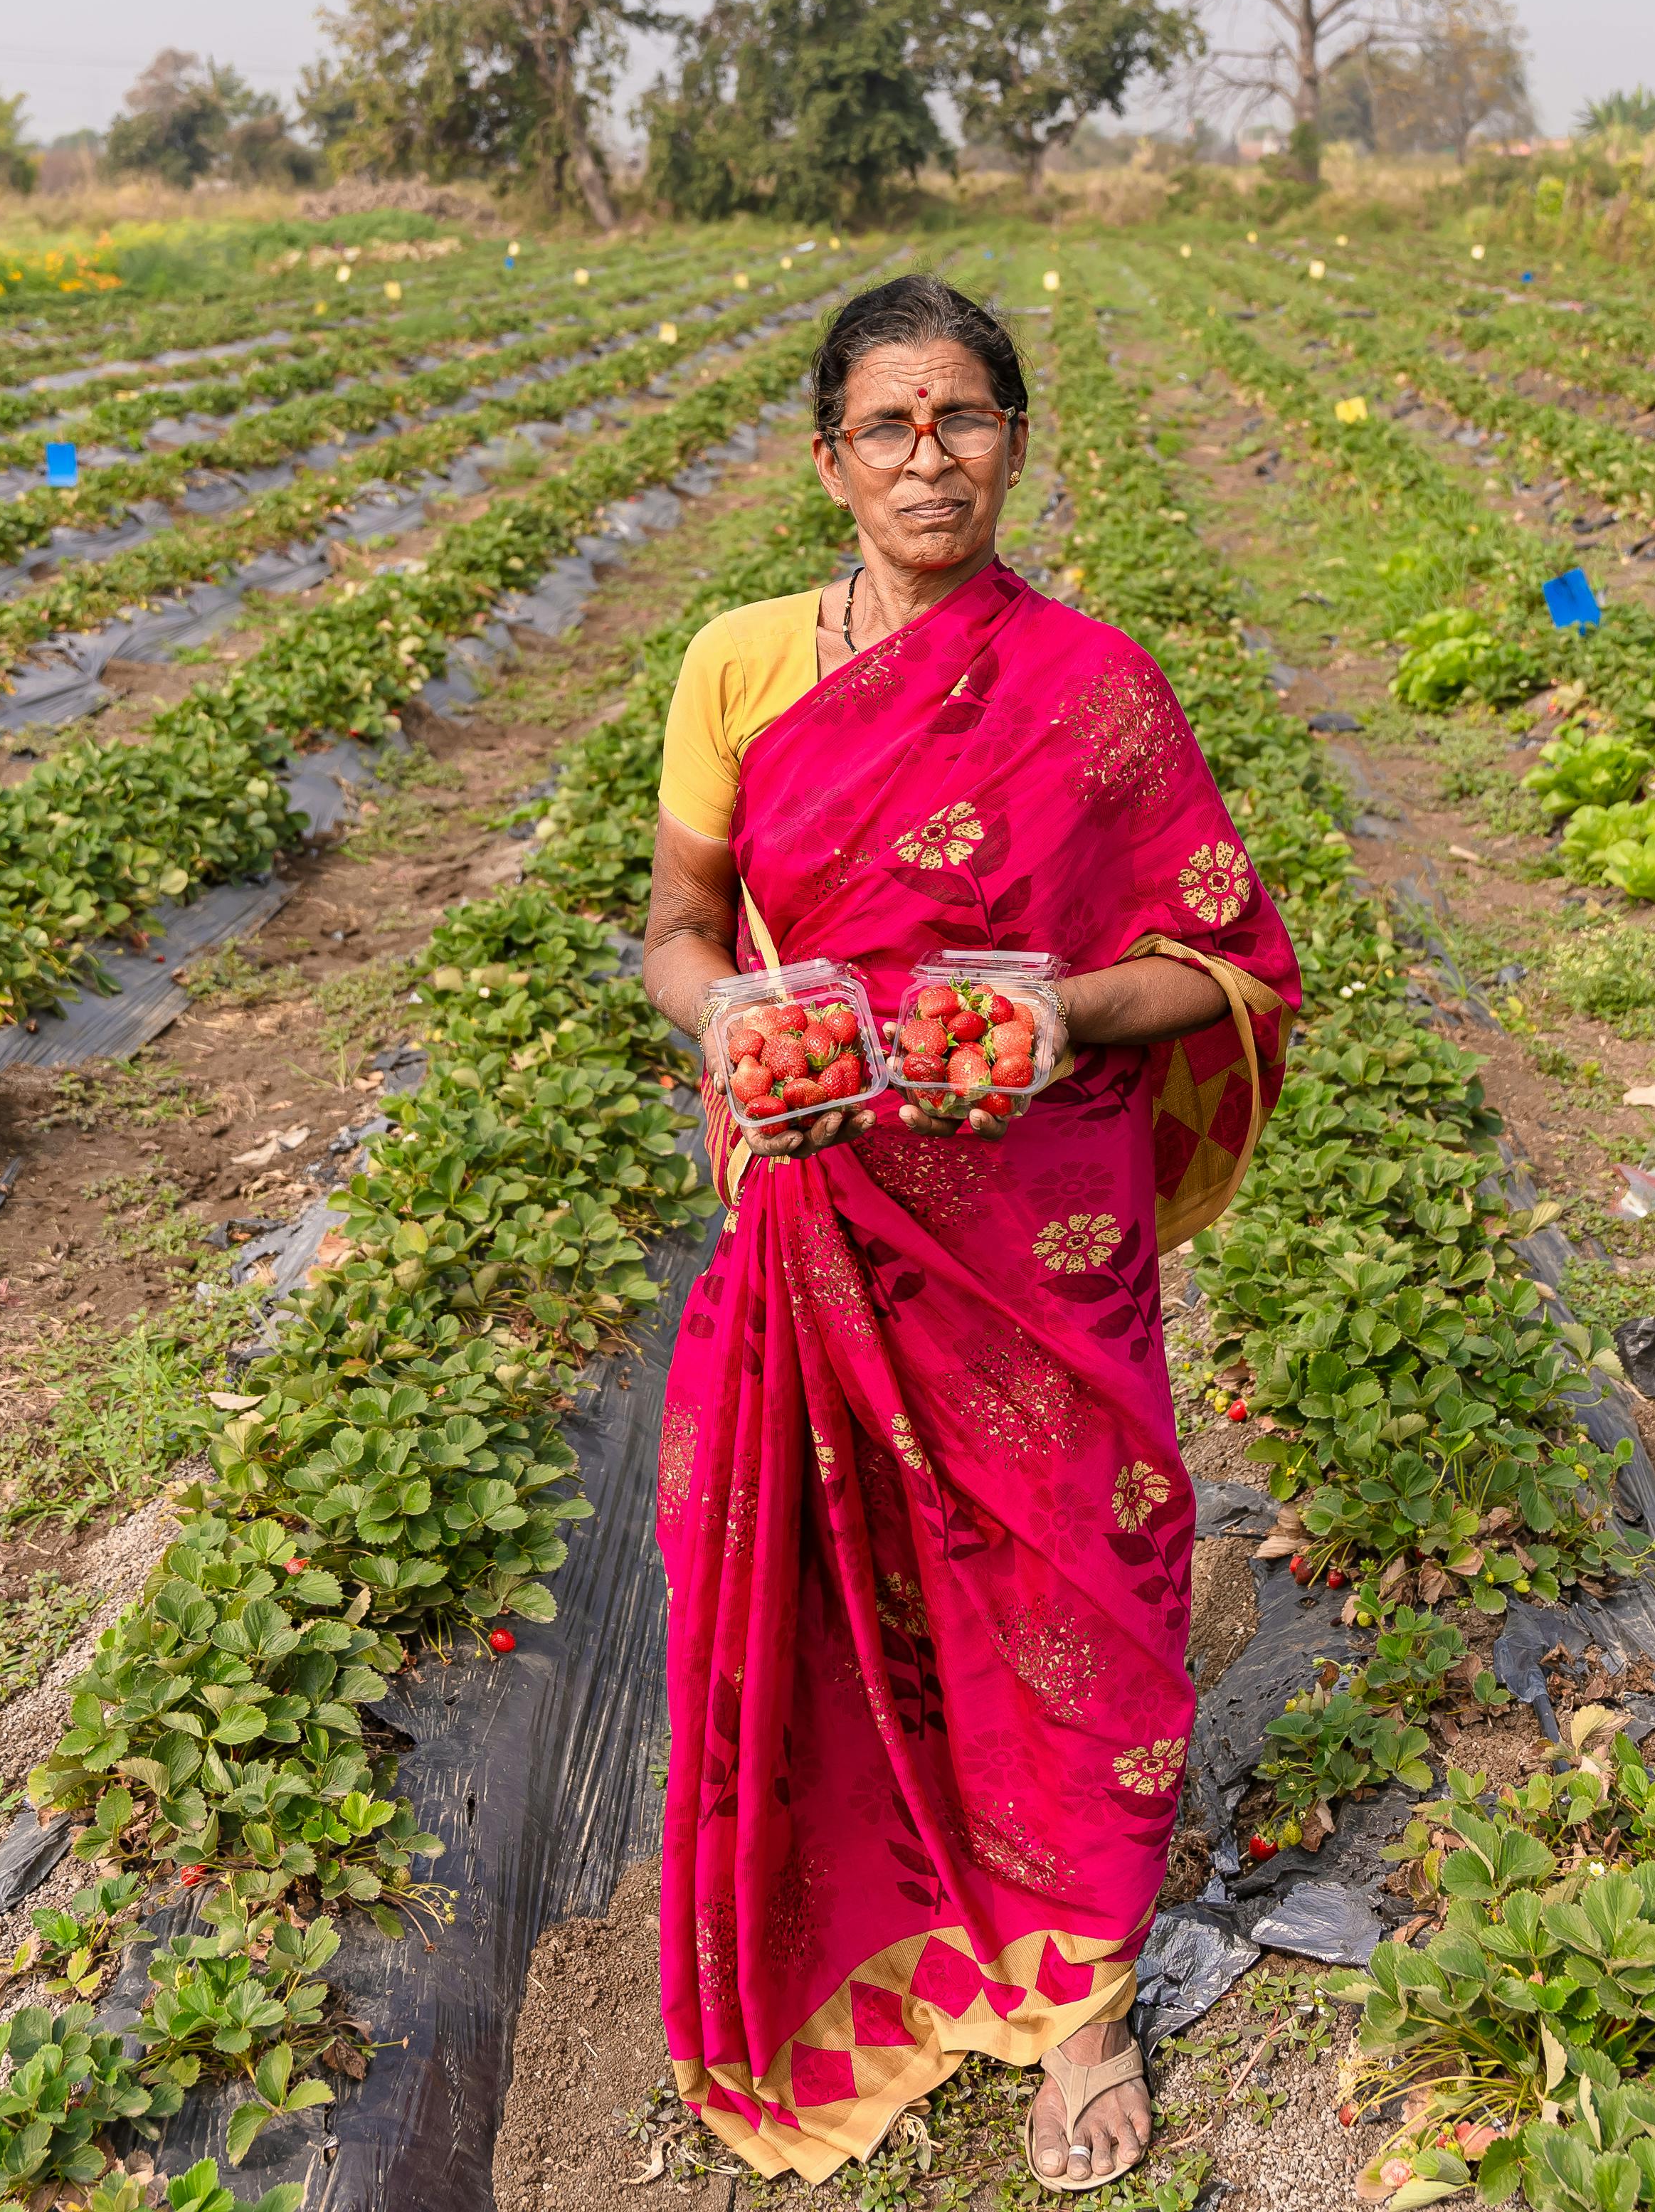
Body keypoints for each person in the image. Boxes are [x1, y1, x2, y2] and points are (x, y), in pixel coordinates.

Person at [641, 274, 1297, 2193]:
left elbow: (1229, 961)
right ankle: (889, 1934)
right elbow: (680, 930)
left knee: (1080, 1580)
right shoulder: (739, 666)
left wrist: (1061, 1013)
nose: (930, 459)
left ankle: (1080, 1992)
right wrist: (734, 1022)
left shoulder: (1097, 686)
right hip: (824, 1191)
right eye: (890, 427)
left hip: (1036, 1218)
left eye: (967, 419)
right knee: (827, 1569)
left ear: (1014, 441)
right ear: (830, 460)